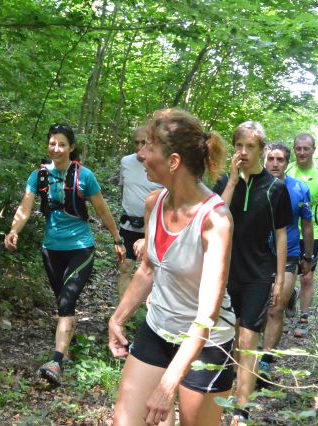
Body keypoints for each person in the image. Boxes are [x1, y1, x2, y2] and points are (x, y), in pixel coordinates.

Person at [109, 108, 236, 426]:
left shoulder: (215, 220)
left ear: (174, 161)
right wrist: (117, 319)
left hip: (207, 342)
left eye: (149, 147)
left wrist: (168, 385)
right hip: (158, 329)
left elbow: (207, 316)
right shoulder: (154, 203)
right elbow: (147, 270)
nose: (141, 155)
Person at [4, 124, 125, 385]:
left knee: (66, 301)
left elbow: (102, 209)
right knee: (62, 302)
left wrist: (117, 238)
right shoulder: (38, 176)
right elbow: (25, 206)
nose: (56, 149)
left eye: (61, 144)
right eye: (52, 143)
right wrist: (14, 231)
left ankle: (56, 362)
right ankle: (67, 341)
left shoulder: (85, 176)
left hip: (81, 248)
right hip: (51, 249)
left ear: (71, 147)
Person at [212, 122, 292, 424]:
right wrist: (233, 181)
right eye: (239, 146)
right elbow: (215, 218)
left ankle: (241, 410)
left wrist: (280, 278)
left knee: (248, 340)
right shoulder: (223, 181)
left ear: (261, 150)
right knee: (230, 338)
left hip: (258, 273)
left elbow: (281, 234)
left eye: (250, 147)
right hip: (224, 271)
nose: (243, 152)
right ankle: (230, 390)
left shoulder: (275, 188)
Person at [258, 142, 314, 386]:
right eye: (270, 158)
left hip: (289, 255)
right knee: (256, 310)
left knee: (275, 308)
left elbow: (307, 225)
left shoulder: (300, 189)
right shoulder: (251, 186)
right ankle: (248, 354)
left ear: (287, 163)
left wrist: (308, 257)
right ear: (264, 160)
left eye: (280, 159)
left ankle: (265, 360)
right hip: (257, 256)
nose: (274, 163)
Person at [286, 133, 318, 337]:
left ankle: (303, 318)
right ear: (294, 149)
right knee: (285, 275)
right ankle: (290, 296)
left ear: (313, 150)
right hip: (288, 231)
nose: (301, 152)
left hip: (313, 234)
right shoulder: (286, 170)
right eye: (298, 148)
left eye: (306, 148)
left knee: (307, 277)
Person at [118, 126, 163, 299]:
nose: (139, 147)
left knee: (152, 270)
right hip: (129, 224)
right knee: (125, 267)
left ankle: (149, 309)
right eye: (136, 142)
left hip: (154, 226)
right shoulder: (126, 162)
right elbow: (124, 189)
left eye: (143, 142)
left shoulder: (160, 164)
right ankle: (124, 310)